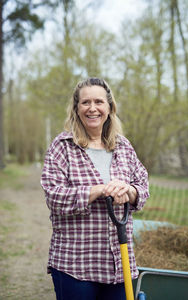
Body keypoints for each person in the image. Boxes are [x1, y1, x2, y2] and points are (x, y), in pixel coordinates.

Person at [41, 77, 149, 300]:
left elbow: (143, 187)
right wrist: (100, 190)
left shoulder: (124, 146)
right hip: (76, 265)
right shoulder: (62, 147)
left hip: (120, 265)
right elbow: (54, 196)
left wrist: (128, 190)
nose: (92, 108)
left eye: (99, 102)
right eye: (85, 102)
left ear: (109, 107)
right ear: (76, 108)